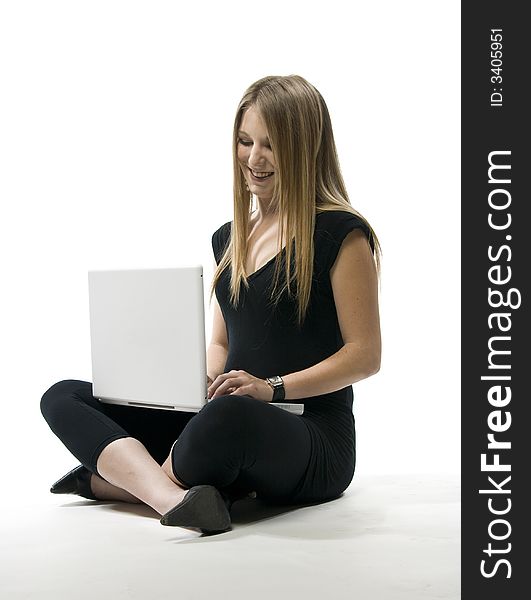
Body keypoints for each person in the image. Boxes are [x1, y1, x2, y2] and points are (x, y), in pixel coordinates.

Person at [40, 74, 382, 536]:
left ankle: (121, 482)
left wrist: (272, 388)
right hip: (225, 416)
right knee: (64, 394)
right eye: (245, 142)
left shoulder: (342, 233)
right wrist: (201, 379)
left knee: (226, 418)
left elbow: (365, 355)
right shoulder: (230, 238)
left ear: (305, 148)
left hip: (311, 434)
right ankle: (176, 498)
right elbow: (221, 339)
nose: (254, 158)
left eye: (271, 145)